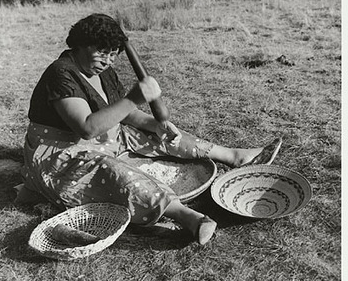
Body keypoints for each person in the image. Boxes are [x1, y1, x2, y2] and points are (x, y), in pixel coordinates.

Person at [17, 14, 281, 245]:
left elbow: (123, 112)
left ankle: (234, 156)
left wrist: (155, 125)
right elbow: (86, 127)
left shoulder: (103, 70)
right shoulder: (61, 73)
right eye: (101, 52)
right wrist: (134, 96)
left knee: (158, 135)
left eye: (113, 54)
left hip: (104, 137)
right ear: (80, 45)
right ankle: (188, 217)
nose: (108, 60)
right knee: (110, 170)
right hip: (62, 155)